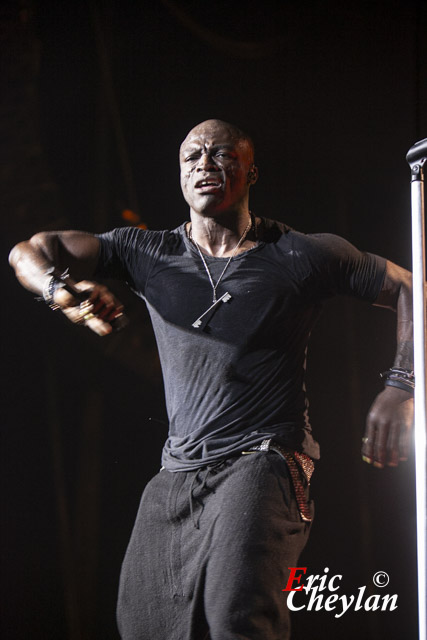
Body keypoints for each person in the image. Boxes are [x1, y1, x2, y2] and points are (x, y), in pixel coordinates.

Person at [9, 119, 414, 640]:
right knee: (142, 626)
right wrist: (61, 291)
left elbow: (411, 287)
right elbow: (30, 250)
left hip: (264, 459)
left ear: (250, 172)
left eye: (221, 155)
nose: (204, 164)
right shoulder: (148, 252)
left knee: (235, 616)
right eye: (192, 157)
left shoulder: (298, 253)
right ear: (180, 175)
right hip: (179, 473)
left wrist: (401, 385)